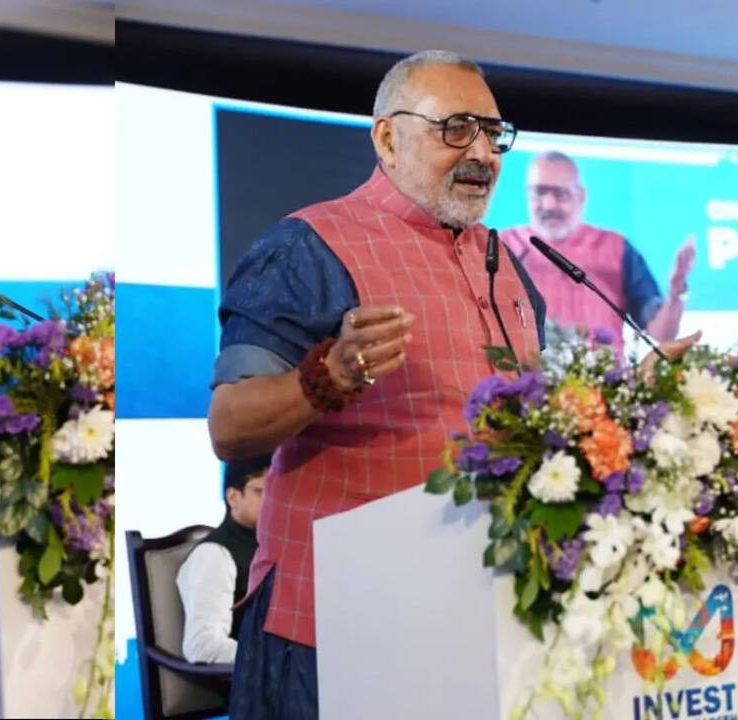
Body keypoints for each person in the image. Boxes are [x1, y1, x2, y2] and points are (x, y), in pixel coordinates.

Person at [207, 50, 700, 719]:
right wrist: (329, 376)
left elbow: (527, 431)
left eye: (494, 134)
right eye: (456, 129)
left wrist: (626, 397)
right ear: (388, 138)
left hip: (474, 618)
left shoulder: (509, 264)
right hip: (333, 631)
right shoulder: (306, 247)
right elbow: (229, 426)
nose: (483, 154)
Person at [500, 151, 694, 357]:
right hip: (524, 376)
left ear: (581, 196)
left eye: (561, 194)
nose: (549, 205)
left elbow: (661, 334)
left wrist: (677, 292)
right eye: (539, 192)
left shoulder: (617, 249)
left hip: (602, 376)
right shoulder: (501, 247)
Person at [176, 455, 267, 664]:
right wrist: (268, 659)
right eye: (261, 492)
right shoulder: (214, 554)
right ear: (233, 497)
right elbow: (203, 645)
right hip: (245, 680)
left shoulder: (274, 544)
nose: (273, 500)